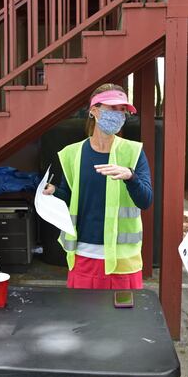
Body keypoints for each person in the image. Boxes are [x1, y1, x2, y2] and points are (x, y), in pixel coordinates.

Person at [44, 83, 152, 290]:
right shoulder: (72, 153)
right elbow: (70, 196)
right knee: (83, 321)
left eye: (123, 110)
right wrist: (54, 192)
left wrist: (131, 177)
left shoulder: (134, 152)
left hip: (123, 262)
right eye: (113, 108)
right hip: (83, 256)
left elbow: (146, 200)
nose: (119, 115)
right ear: (93, 111)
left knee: (122, 321)